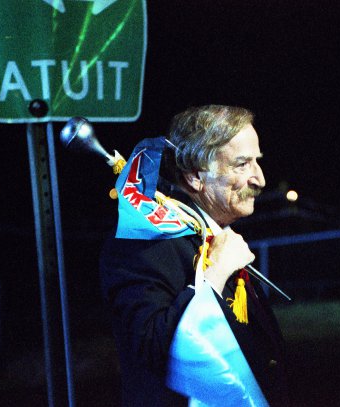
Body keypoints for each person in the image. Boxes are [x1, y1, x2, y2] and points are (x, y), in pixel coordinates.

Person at [100, 105, 288, 406]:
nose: (260, 179)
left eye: (257, 162)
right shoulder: (143, 241)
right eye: (242, 164)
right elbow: (152, 350)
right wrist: (213, 276)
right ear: (195, 176)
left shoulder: (209, 235)